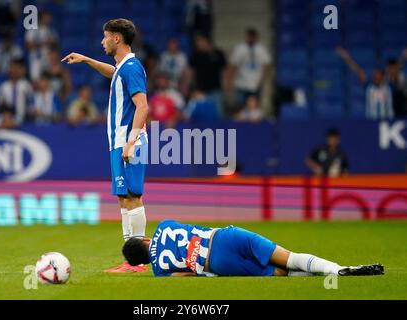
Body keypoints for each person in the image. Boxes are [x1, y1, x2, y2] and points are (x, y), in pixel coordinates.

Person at [62, 18, 149, 273]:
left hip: (128, 139)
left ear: (117, 39)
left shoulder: (132, 68)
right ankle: (130, 260)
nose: (102, 41)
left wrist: (131, 141)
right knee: (124, 199)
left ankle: (139, 261)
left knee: (133, 196)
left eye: (105, 36)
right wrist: (87, 60)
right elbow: (113, 73)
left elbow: (143, 106)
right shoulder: (123, 67)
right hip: (119, 140)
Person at [122, 219, 384, 277]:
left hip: (217, 262)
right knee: (288, 256)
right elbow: (193, 229)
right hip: (226, 236)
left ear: (140, 262)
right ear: (144, 238)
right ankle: (337, 269)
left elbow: (186, 276)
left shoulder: (159, 270)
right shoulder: (164, 225)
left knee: (279, 273)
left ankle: (333, 277)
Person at [336, 47, 394, 120]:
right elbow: (357, 70)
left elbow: (395, 71)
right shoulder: (368, 86)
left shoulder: (389, 86)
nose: (375, 78)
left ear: (383, 77)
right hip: (371, 121)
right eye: (374, 76)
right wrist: (345, 57)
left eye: (378, 76)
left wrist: (403, 57)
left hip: (388, 121)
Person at [227, 28, 272, 110]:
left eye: (253, 37)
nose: (251, 39)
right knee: (240, 107)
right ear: (246, 37)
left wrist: (263, 79)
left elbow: (268, 65)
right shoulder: (239, 48)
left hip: (256, 83)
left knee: (254, 108)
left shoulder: (262, 49)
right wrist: (230, 81)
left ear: (256, 37)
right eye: (249, 37)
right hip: (241, 83)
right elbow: (233, 65)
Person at [0, 59, 33, 126]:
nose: (14, 71)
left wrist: (28, 113)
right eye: (12, 69)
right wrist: (6, 115)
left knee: (15, 121)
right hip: (6, 116)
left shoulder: (26, 85)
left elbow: (31, 101)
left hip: (22, 117)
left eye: (16, 69)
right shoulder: (4, 86)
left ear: (19, 71)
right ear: (9, 71)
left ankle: (9, 125)